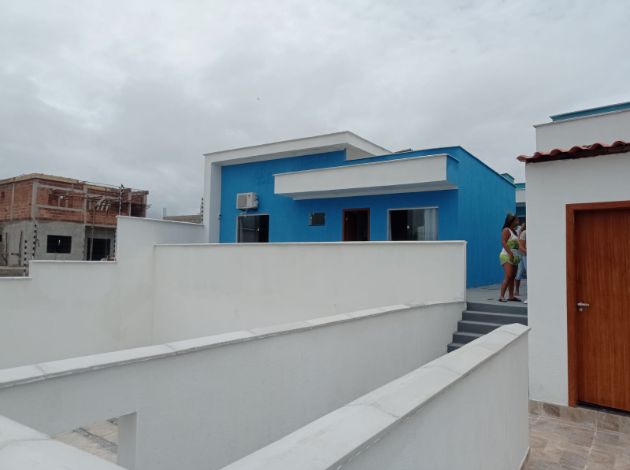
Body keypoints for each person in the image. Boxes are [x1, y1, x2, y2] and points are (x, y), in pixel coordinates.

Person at [499, 213, 521, 302]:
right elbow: (503, 242)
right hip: (506, 255)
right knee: (508, 276)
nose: (518, 222)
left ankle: (511, 296)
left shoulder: (515, 231)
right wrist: (510, 253)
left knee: (512, 277)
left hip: (515, 256)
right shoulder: (506, 230)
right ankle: (501, 296)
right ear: (511, 221)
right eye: (516, 220)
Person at [515, 223, 527, 298]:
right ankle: (516, 290)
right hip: (521, 254)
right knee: (520, 272)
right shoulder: (522, 231)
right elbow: (520, 245)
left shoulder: (522, 231)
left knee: (521, 271)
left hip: (523, 253)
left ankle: (516, 290)